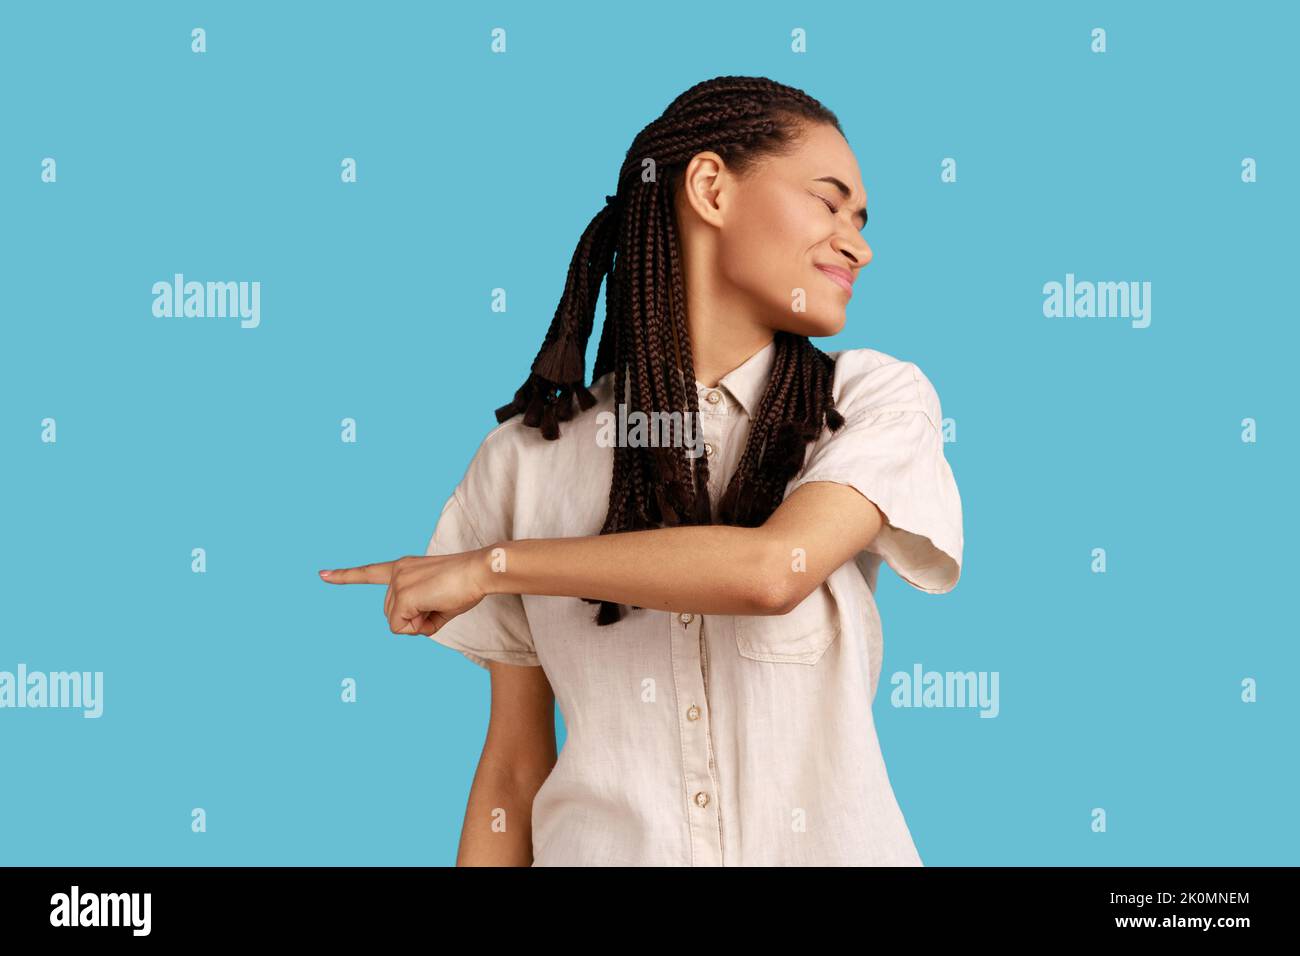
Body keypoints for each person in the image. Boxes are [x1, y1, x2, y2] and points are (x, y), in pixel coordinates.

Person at [320, 75, 964, 866]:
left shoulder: (870, 403)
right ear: (710, 188)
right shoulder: (524, 461)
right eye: (830, 203)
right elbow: (515, 771)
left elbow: (769, 573)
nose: (858, 242)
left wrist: (492, 567)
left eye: (861, 220)